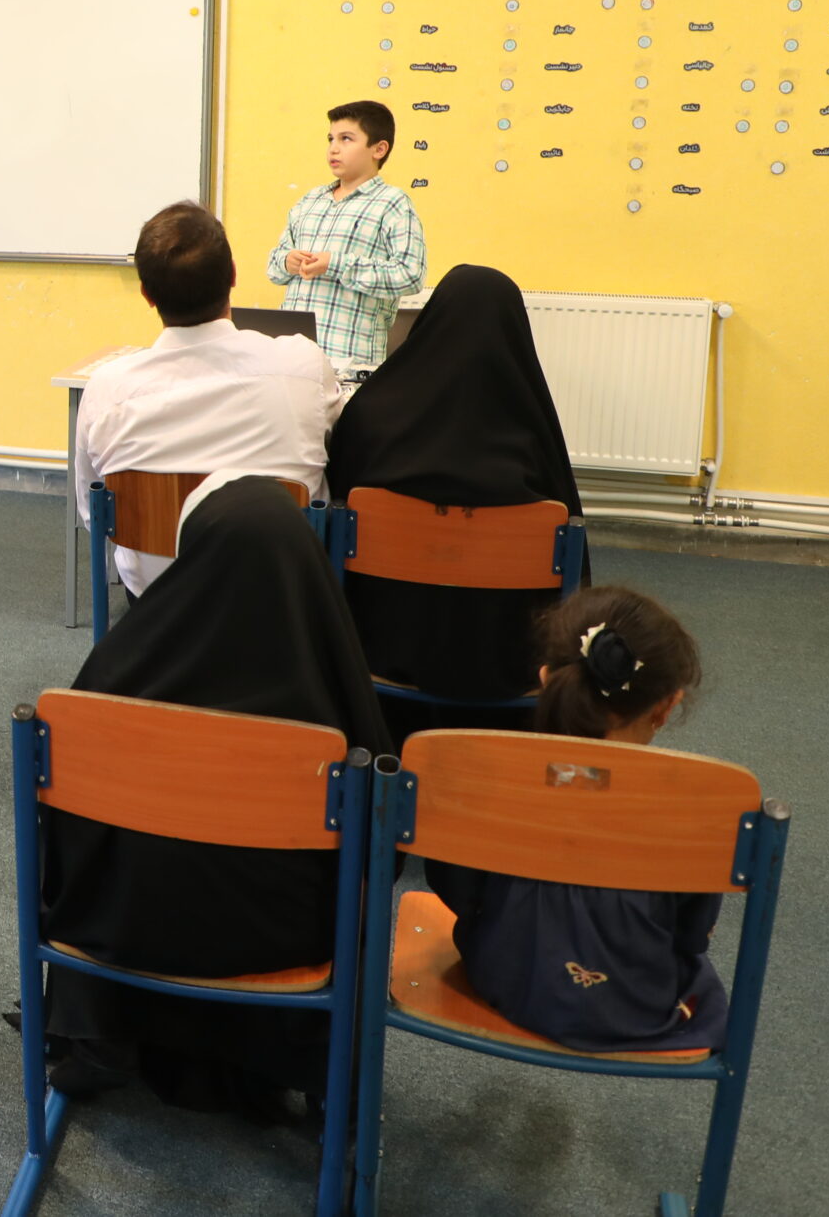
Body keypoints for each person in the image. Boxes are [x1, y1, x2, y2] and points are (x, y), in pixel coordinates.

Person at [41, 474, 391, 1118]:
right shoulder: (333, 708)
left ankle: (103, 1030)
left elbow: (56, 824)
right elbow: (383, 846)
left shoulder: (113, 681)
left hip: (123, 935)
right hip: (283, 950)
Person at [426, 587, 726, 1053]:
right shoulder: (698, 811)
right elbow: (691, 936)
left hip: (502, 979)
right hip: (635, 1006)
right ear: (666, 706)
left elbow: (455, 887)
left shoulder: (487, 779)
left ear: (545, 679)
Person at [325, 263, 585, 712]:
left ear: (430, 322)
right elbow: (575, 558)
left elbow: (333, 515)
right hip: (507, 665)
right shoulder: (533, 431)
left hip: (375, 651)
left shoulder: (370, 415)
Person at [74, 201, 338, 596]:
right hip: (277, 594)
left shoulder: (106, 390)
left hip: (157, 602)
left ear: (146, 294)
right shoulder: (304, 364)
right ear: (232, 275)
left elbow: (93, 514)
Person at [265, 100, 426, 371]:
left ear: (379, 149)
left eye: (346, 139)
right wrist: (287, 261)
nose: (334, 148)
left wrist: (335, 263)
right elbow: (273, 268)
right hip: (293, 362)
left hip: (350, 365)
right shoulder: (310, 200)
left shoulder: (393, 204)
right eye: (331, 139)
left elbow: (410, 275)